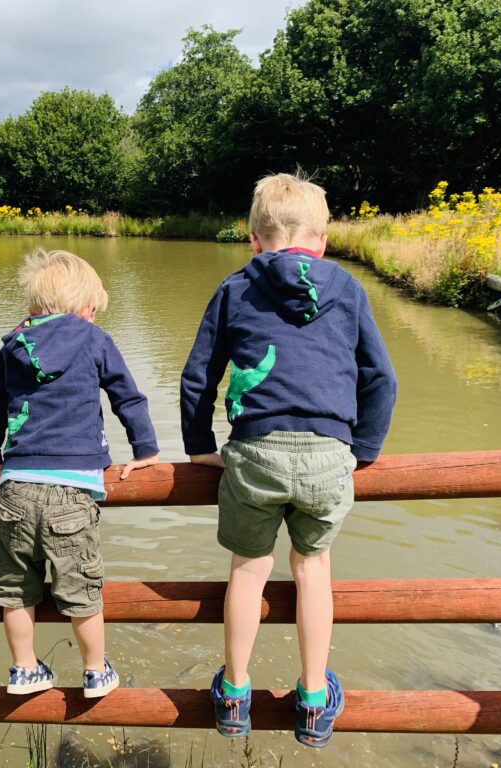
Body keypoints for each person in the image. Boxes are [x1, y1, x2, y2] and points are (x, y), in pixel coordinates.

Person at [180, 173, 397, 746]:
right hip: (329, 454)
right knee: (313, 572)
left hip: (253, 453)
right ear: (321, 241)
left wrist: (200, 447)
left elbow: (198, 376)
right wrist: (364, 452)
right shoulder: (346, 287)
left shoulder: (234, 288)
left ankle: (233, 693)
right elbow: (382, 380)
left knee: (249, 572)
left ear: (254, 239)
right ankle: (312, 699)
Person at [0, 248, 159, 698]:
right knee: (81, 589)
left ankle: (23, 668)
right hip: (73, 490)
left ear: (33, 307)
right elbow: (127, 397)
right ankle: (95, 670)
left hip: (16, 487)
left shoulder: (13, 345)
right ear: (88, 309)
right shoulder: (94, 339)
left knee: (16, 590)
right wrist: (146, 450)